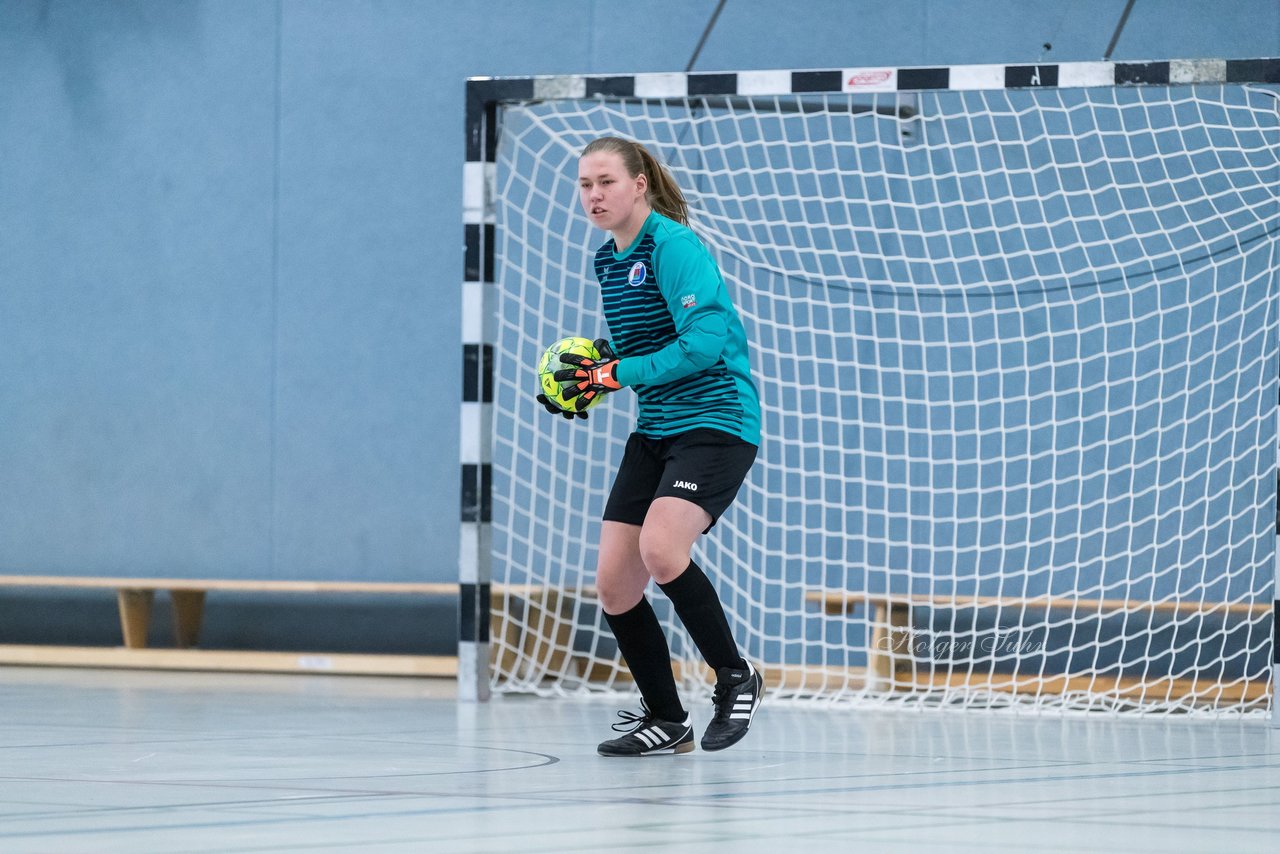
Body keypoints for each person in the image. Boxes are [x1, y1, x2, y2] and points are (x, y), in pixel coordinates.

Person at [535, 136, 764, 756]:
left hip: (716, 422)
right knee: (614, 585)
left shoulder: (676, 245)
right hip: (657, 428)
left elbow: (704, 343)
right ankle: (667, 719)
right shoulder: (607, 259)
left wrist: (614, 375)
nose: (593, 195)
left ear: (639, 183)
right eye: (584, 185)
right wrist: (586, 377)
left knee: (662, 549)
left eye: (605, 181)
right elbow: (634, 351)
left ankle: (735, 676)